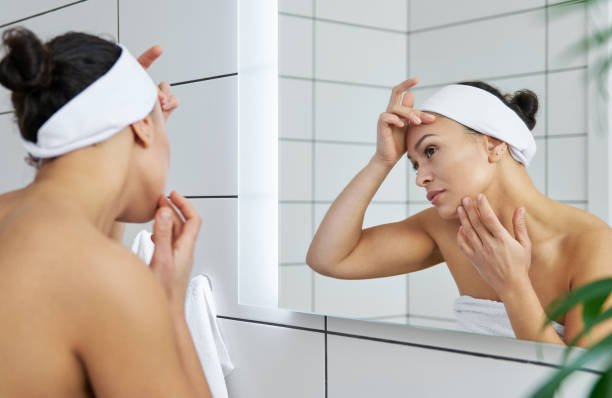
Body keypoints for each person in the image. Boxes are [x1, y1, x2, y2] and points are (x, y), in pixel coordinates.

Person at [307, 77, 612, 346]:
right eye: (414, 164)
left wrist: (512, 283)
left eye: (430, 151)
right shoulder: (446, 229)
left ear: (493, 144)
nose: (420, 177)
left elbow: (581, 385)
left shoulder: (592, 244)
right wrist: (381, 161)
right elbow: (329, 259)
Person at [0, 27, 211, 397]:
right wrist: (170, 307)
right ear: (142, 127)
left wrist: (137, 129)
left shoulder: (17, 220)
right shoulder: (107, 279)